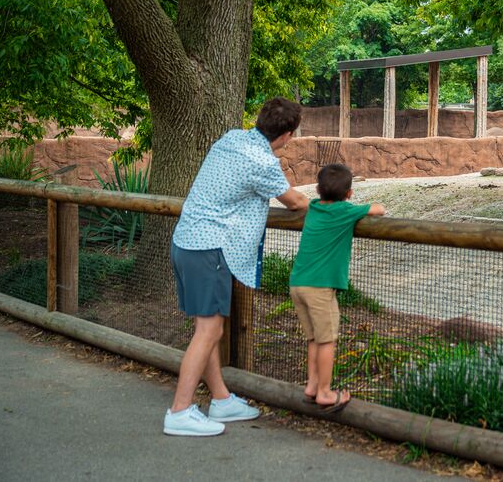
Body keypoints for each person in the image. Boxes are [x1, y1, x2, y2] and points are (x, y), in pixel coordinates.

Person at [164, 97, 310, 436]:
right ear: (287, 135)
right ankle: (180, 410)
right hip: (209, 249)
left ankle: (221, 399)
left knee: (206, 328)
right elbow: (295, 201)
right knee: (210, 331)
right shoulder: (263, 161)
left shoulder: (231, 138)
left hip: (186, 241)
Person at [290, 162, 385, 412]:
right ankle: (324, 392)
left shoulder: (313, 206)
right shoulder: (346, 210)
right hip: (320, 287)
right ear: (349, 193)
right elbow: (379, 209)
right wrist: (356, 206)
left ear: (318, 190)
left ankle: (312, 386)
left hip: (298, 282)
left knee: (313, 339)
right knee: (327, 341)